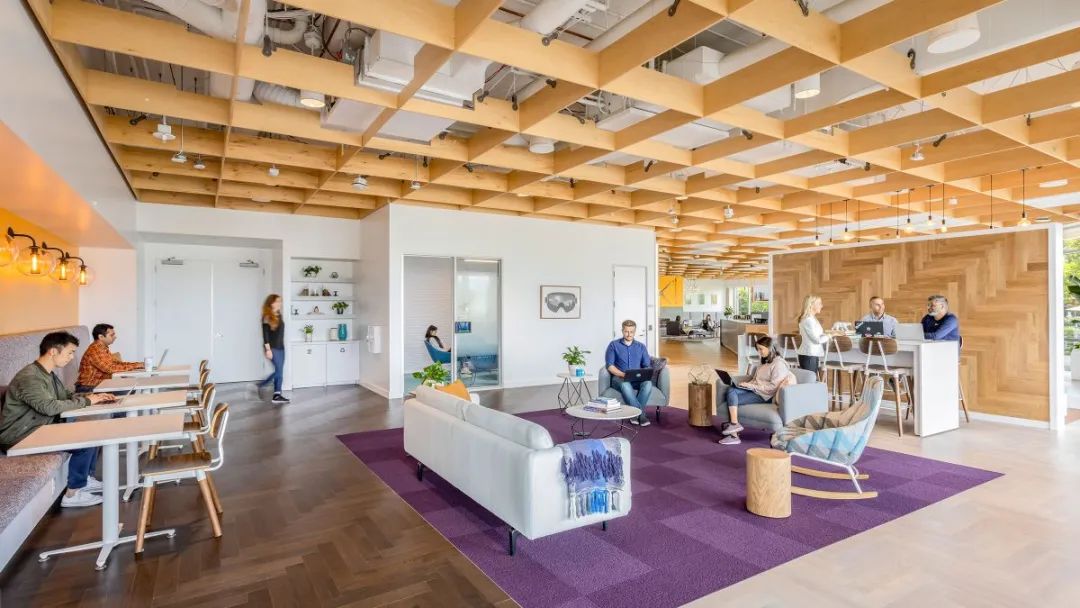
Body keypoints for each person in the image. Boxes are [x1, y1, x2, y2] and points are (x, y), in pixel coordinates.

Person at [0, 332, 117, 507]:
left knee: (93, 430)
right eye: (70, 352)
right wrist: (87, 401)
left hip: (38, 428)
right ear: (53, 351)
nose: (72, 357)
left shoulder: (48, 374)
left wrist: (94, 397)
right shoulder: (29, 377)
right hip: (19, 436)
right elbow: (48, 407)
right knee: (85, 441)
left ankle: (85, 478)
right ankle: (73, 494)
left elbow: (66, 396)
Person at [718, 336, 794, 446]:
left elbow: (773, 387)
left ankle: (734, 430)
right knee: (731, 390)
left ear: (770, 348)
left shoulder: (779, 364)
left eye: (761, 349)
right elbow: (757, 379)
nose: (759, 352)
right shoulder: (765, 361)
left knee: (732, 394)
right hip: (756, 390)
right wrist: (747, 385)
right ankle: (734, 429)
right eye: (757, 349)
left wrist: (751, 386)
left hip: (765, 395)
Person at [605, 319, 653, 427]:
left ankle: (634, 414)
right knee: (625, 385)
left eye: (631, 332)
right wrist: (623, 375)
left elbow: (647, 365)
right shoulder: (613, 345)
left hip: (637, 379)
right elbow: (610, 366)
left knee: (648, 384)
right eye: (626, 331)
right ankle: (641, 414)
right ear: (622, 331)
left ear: (634, 332)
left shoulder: (641, 346)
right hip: (619, 378)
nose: (629, 334)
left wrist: (644, 373)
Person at [75, 323, 143, 393]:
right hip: (87, 387)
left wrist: (138, 365)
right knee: (128, 389)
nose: (115, 337)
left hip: (98, 384)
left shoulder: (103, 348)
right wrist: (136, 366)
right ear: (101, 337)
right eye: (111, 335)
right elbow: (110, 368)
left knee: (130, 383)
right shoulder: (95, 349)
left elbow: (116, 363)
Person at [258, 294, 288, 404]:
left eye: (280, 301)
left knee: (279, 372)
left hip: (281, 347)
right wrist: (268, 350)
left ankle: (277, 395)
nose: (280, 303)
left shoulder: (279, 315)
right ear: (271, 303)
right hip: (273, 348)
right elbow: (265, 335)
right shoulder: (267, 317)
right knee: (279, 371)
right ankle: (261, 385)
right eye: (277, 301)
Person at [796, 294, 829, 374]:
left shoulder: (811, 319)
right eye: (819, 303)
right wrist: (830, 335)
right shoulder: (808, 320)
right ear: (811, 305)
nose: (821, 306)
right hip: (809, 355)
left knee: (811, 380)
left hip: (811, 354)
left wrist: (826, 335)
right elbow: (817, 340)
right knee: (810, 380)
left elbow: (817, 336)